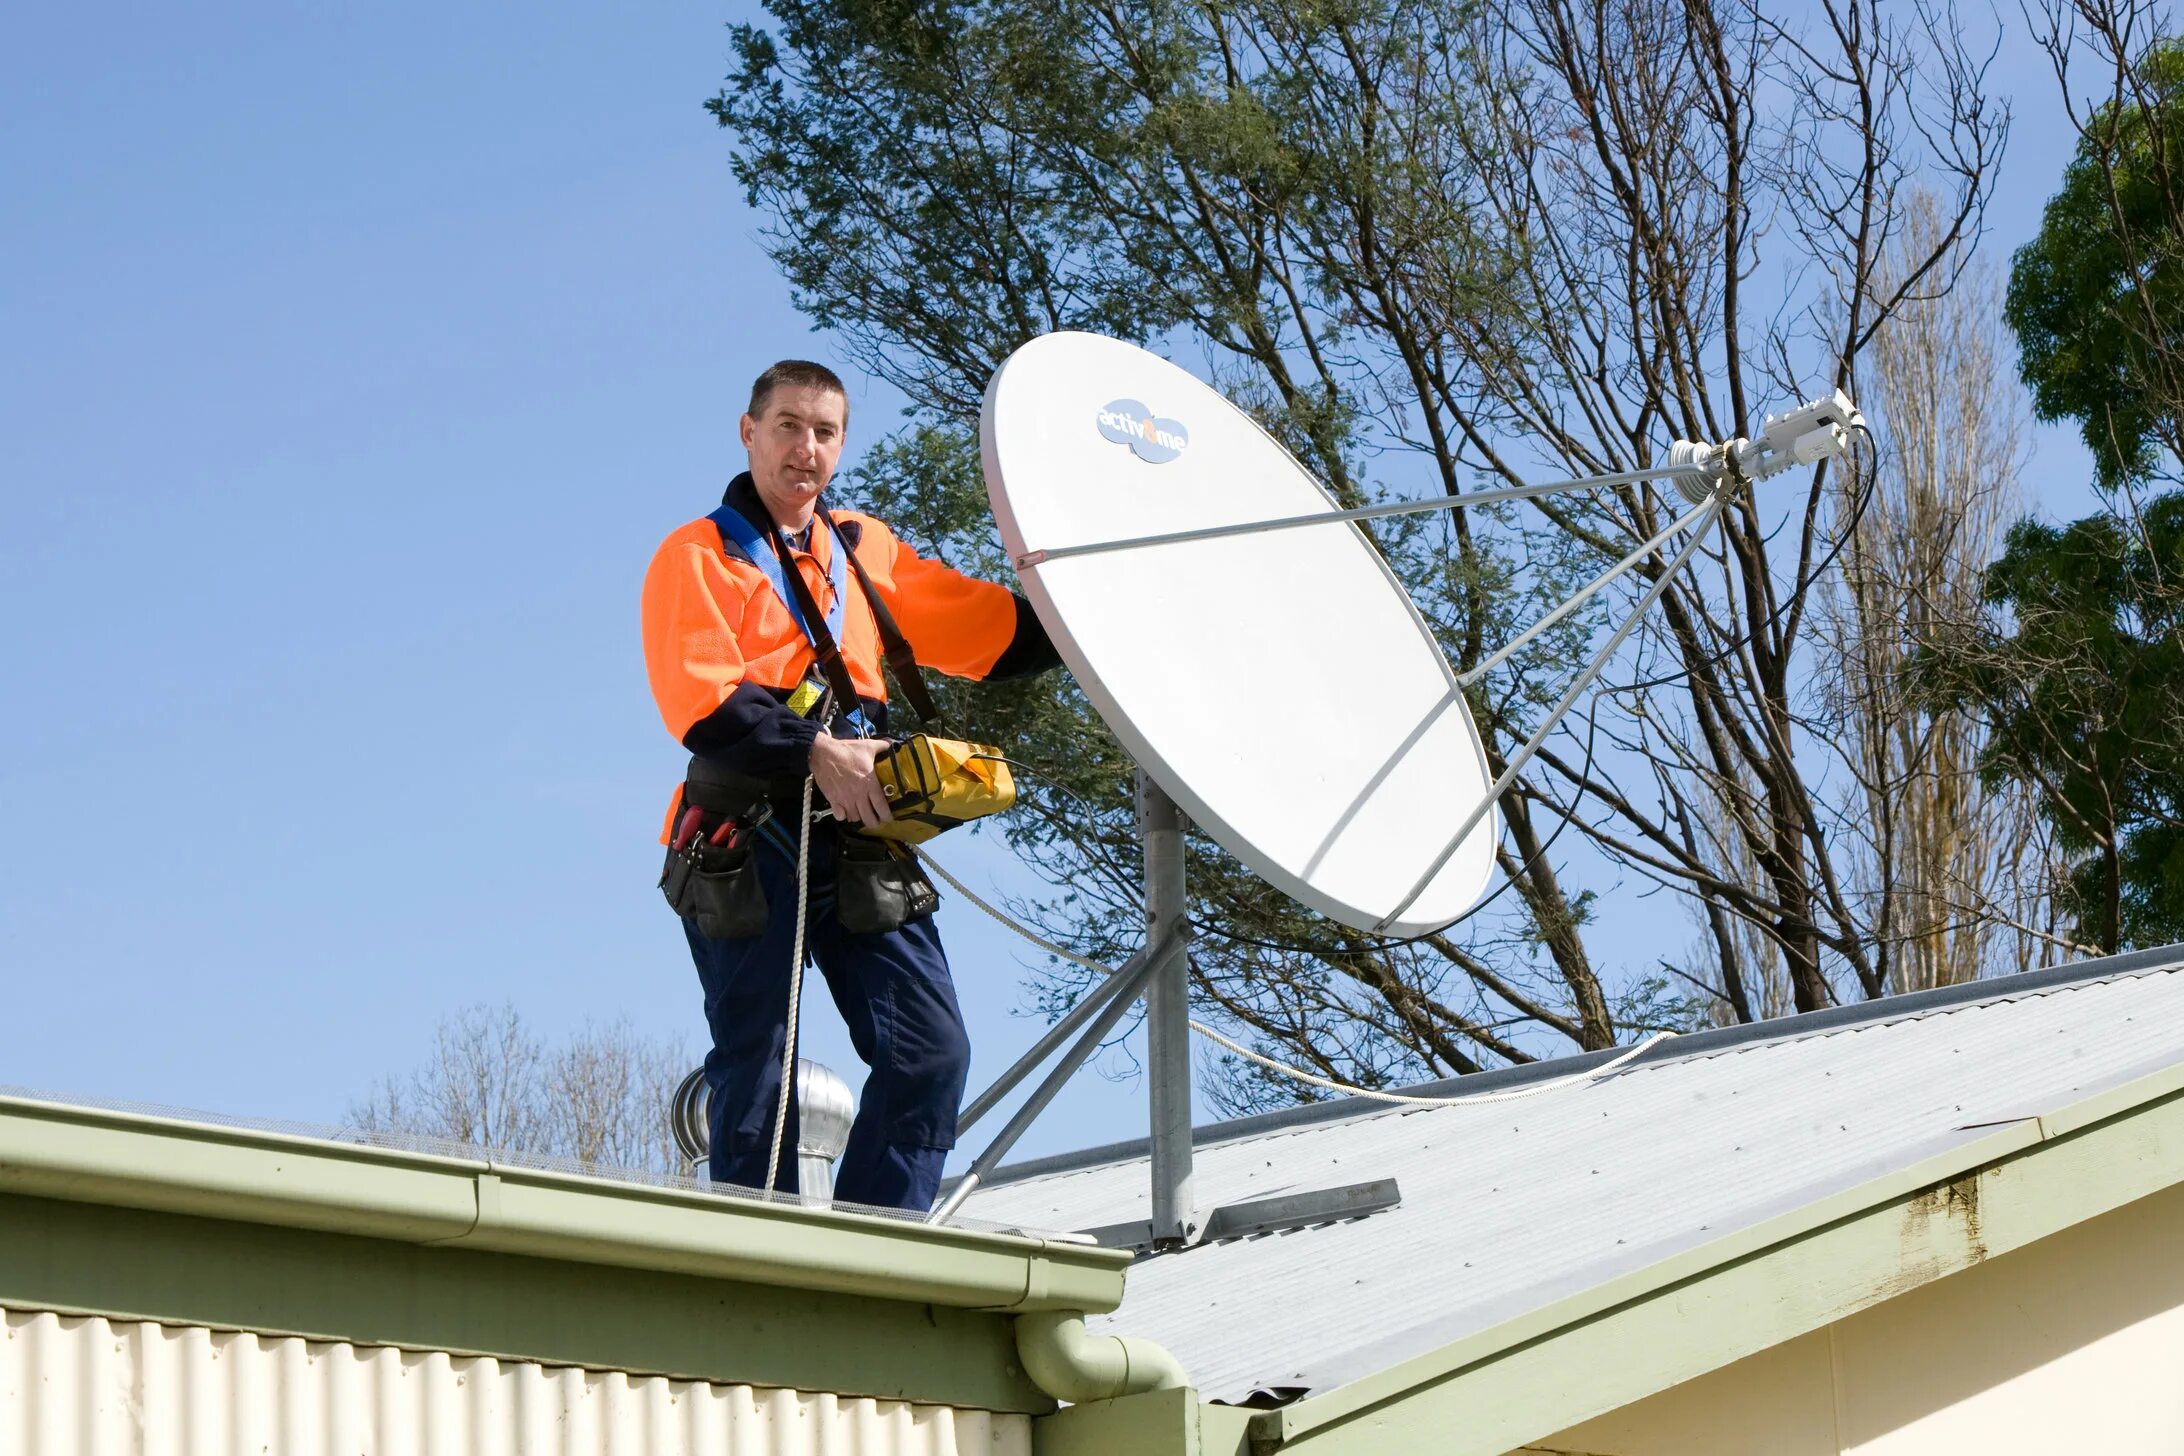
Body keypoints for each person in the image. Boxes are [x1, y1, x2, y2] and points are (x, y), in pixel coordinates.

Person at [641, 359, 1058, 1212]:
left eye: (825, 431)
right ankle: (768, 1258)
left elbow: (994, 635)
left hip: (861, 827)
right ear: (749, 432)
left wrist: (1086, 597)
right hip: (747, 828)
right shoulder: (699, 554)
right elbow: (703, 701)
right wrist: (813, 749)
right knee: (760, 1057)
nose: (806, 448)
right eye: (788, 425)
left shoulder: (864, 548)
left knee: (930, 1051)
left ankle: (880, 1242)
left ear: (842, 444)